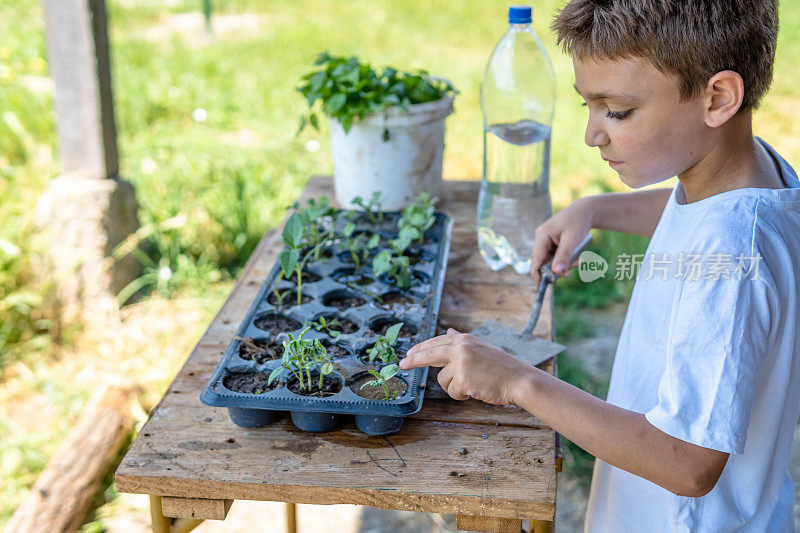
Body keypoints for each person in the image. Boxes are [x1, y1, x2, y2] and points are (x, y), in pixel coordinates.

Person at [400, 0, 800, 530]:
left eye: (617, 111)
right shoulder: (751, 174)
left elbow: (689, 463)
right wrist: (597, 209)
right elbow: (704, 214)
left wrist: (518, 381)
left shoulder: (732, 260)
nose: (592, 134)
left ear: (718, 98)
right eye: (587, 107)